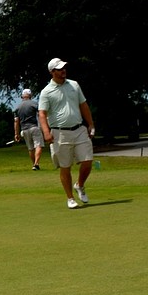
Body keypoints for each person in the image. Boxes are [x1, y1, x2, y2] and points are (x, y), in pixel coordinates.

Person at [38, 59, 96, 209]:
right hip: (59, 133)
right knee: (65, 166)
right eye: (59, 69)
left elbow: (83, 105)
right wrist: (46, 132)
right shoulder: (46, 92)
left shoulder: (74, 85)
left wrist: (90, 124)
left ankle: (80, 185)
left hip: (79, 129)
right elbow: (42, 114)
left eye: (64, 67)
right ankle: (70, 198)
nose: (63, 70)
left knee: (87, 161)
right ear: (52, 72)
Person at [13, 89, 43, 170]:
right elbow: (41, 115)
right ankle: (36, 164)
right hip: (34, 127)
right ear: (30, 96)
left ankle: (34, 164)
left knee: (30, 148)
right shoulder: (34, 104)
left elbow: (16, 121)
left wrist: (16, 134)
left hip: (24, 130)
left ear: (22, 96)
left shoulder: (18, 107)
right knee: (38, 145)